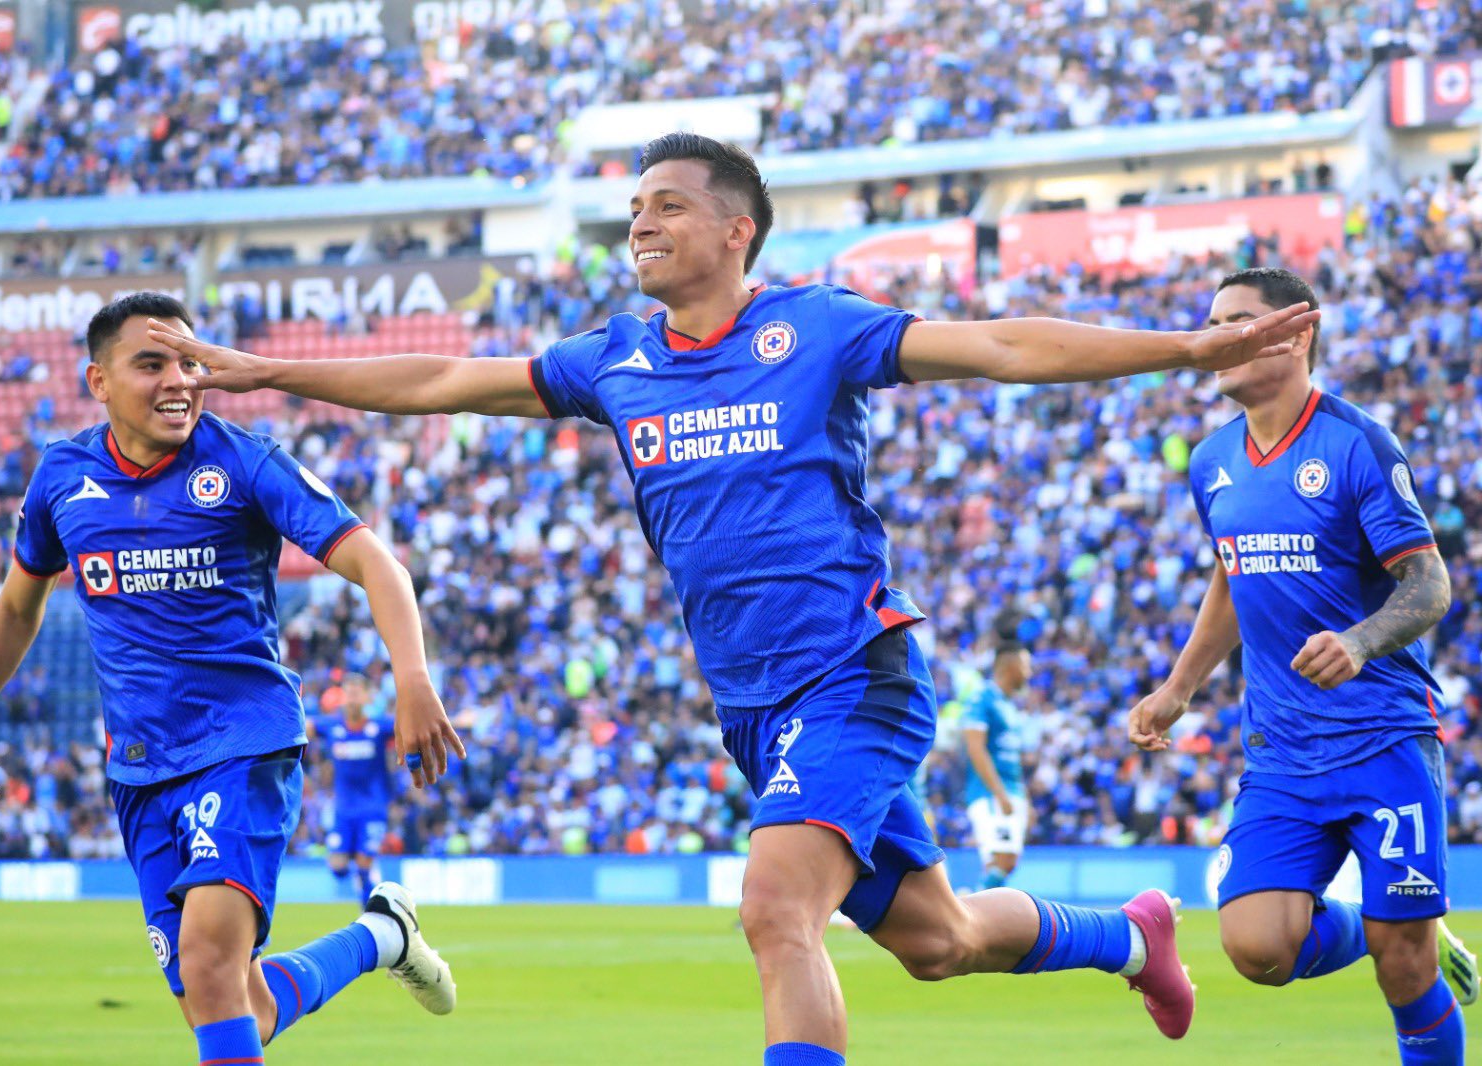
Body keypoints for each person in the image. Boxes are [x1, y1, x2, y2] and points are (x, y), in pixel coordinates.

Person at [150, 133, 1320, 1064]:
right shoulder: (615, 359)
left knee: (774, 909)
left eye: (664, 204)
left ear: (733, 227)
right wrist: (270, 371)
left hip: (851, 675)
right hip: (752, 704)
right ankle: (1129, 936)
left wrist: (1178, 350)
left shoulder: (815, 327)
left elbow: (1001, 345)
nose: (639, 225)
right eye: (633, 210)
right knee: (937, 938)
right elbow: (446, 377)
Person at [0, 292, 467, 1066]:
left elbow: (373, 560)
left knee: (213, 969)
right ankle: (382, 935)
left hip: (242, 744)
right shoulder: (62, 479)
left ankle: (381, 934)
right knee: (231, 1003)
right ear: (99, 381)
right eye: (151, 364)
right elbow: (19, 607)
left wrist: (412, 676)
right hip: (141, 768)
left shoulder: (244, 461)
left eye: (189, 361)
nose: (178, 380)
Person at [1128, 267, 1475, 1064]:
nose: (1218, 337)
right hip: (1282, 752)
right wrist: (1180, 686)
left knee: (1406, 967)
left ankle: (1407, 939)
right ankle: (1383, 925)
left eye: (1238, 321)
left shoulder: (1356, 442)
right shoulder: (1212, 460)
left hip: (1382, 738)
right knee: (1256, 949)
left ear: (1295, 331)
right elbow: (1231, 573)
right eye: (1211, 322)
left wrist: (1358, 642)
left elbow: (1429, 585)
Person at [310, 672, 395, 905]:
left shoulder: (379, 727)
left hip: (372, 806)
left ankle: (370, 914)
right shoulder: (332, 726)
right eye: (349, 693)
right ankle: (364, 876)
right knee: (337, 867)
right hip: (344, 809)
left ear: (368, 697)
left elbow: (410, 726)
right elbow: (304, 727)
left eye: (358, 693)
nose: (353, 698)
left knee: (364, 864)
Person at [962, 612, 1032, 891]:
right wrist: (1000, 793)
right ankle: (969, 914)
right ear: (1010, 665)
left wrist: (1022, 797)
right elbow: (975, 748)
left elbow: (1011, 760)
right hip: (990, 793)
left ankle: (972, 909)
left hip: (1010, 790)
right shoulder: (983, 697)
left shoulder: (1008, 704)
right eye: (1026, 665)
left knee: (1005, 861)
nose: (1029, 672)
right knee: (1003, 859)